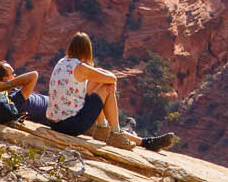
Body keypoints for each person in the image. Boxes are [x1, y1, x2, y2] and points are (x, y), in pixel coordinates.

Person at [41, 33, 176, 149]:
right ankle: (116, 134)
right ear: (87, 50)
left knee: (100, 85)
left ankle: (136, 139)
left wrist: (104, 77)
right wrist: (110, 83)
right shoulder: (81, 68)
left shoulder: (62, 62)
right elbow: (112, 78)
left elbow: (95, 78)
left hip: (55, 123)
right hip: (71, 125)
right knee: (106, 88)